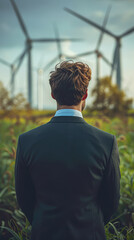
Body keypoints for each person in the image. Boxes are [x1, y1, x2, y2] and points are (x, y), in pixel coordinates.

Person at [15, 61, 121, 240]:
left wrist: (43, 223)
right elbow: (111, 200)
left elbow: (24, 198)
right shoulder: (106, 142)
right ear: (85, 94)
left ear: (53, 94)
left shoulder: (26, 141)